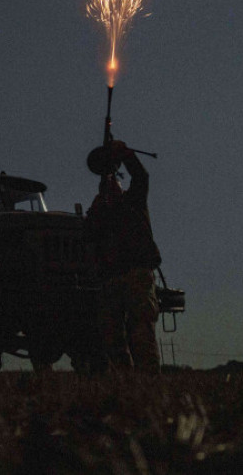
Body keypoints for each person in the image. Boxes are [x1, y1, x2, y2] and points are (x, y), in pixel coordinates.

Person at [86, 139, 163, 374]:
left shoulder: (134, 201)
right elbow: (90, 236)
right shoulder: (100, 214)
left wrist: (126, 154)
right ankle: (125, 383)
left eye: (114, 183)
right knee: (112, 338)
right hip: (111, 278)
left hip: (136, 273)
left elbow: (141, 176)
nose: (111, 187)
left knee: (141, 330)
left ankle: (149, 382)